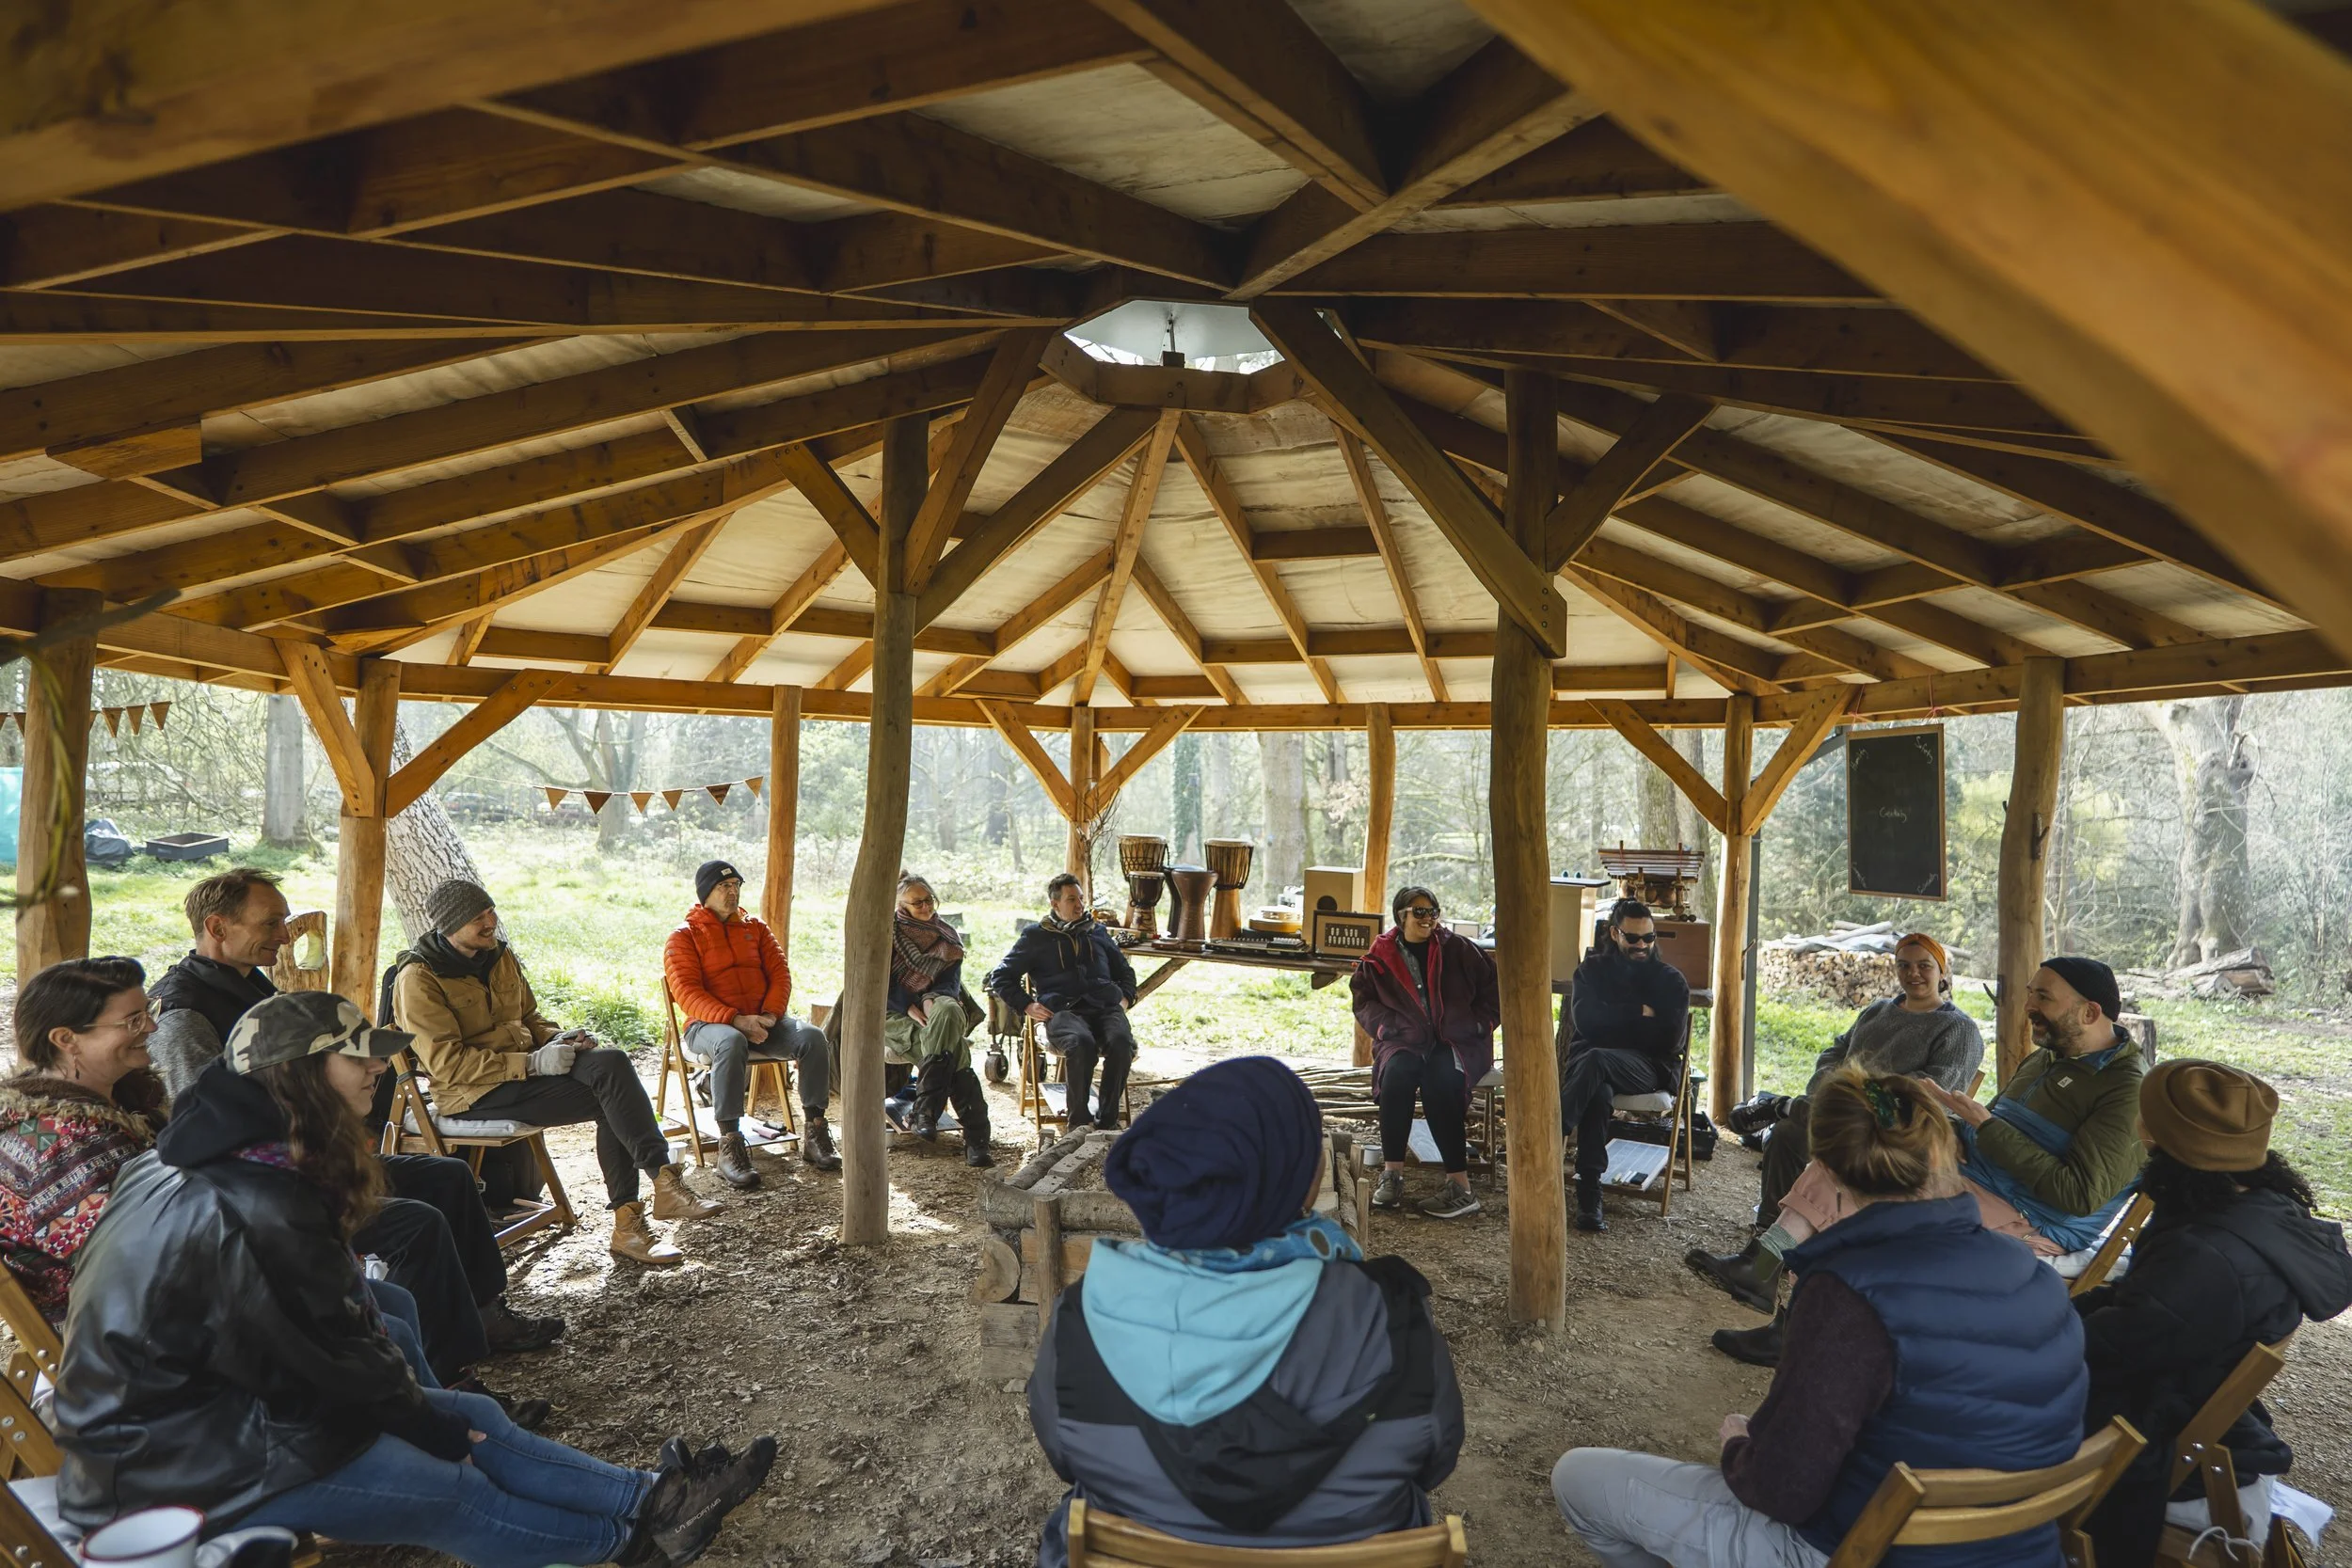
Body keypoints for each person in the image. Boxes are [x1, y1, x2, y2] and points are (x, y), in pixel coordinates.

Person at [53, 990, 776, 1568]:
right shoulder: (264, 1198)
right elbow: (329, 1357)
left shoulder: (212, 1155)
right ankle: (632, 1543)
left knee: (474, 1418)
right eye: (357, 1059)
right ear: (299, 1074)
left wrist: (429, 1411)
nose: (379, 1070)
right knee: (451, 1481)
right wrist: (427, 1423)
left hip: (204, 1415)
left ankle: (658, 1498)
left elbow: (310, 1339)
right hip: (169, 1469)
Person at [1554, 1066, 2090, 1568]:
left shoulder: (1849, 1294)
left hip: (1861, 1549)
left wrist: (1742, 1446)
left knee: (1579, 1478)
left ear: (1826, 1170)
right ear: (1939, 1155)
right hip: (2018, 1551)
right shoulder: (2035, 1274)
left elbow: (1781, 1491)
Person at [1026, 1055, 1461, 1564]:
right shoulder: (1392, 1316)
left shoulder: (1083, 1322)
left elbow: (1063, 1454)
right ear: (1299, 1183)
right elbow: (1436, 1457)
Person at [148, 867, 564, 1358]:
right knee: (417, 1224)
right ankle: (439, 1363)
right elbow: (204, 1127)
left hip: (308, 1166)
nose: (285, 936)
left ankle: (484, 1315)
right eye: (271, 924)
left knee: (446, 1176)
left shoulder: (250, 988)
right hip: (259, 1196)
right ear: (217, 929)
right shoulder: (185, 1013)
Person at [1697, 956, 2146, 1367]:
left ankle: (1799, 1326)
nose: (2028, 1005)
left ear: (2089, 1012)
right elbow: (1841, 1054)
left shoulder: (2125, 1091)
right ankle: (1763, 1272)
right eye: (2030, 992)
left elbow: (2078, 1195)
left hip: (2032, 1219)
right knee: (1848, 1157)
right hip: (1971, 1175)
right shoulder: (2040, 1057)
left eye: (2042, 996)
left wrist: (1981, 1127)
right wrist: (1945, 1120)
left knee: (1873, 1197)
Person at [2075, 1059, 2352, 1566]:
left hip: (2160, 1427)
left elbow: (2106, 1350)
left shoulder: (2205, 1258)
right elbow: (2135, 1310)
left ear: (2159, 1135)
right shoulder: (2258, 1209)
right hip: (2190, 1392)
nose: (2137, 1126)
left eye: (2145, 1116)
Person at [391, 878, 722, 1270]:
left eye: (491, 910)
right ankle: (639, 1215)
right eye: (479, 917)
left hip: (523, 1075)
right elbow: (448, 1063)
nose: (491, 921)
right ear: (450, 925)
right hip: (472, 1094)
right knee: (610, 1100)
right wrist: (531, 1063)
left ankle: (658, 1192)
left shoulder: (498, 957)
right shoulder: (419, 978)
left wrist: (559, 1038)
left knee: (611, 1063)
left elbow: (530, 1018)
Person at [1687, 932, 1983, 1307]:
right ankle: (1766, 1245)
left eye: (1924, 966)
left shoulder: (1958, 1029)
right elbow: (1835, 1051)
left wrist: (1857, 1090)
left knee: (1807, 1116)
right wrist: (1836, 1083)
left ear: (1943, 973)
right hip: (1848, 1111)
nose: (1913, 974)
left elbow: (1929, 1095)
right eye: (1904, 965)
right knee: (1789, 1130)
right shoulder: (1878, 1010)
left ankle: (1783, 1105)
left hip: (1900, 1130)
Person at [0, 958, 166, 1326]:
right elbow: (137, 1267)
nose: (152, 1026)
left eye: (148, 1011)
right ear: (65, 1039)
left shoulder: (109, 1105)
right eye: (133, 1020)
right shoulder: (68, 1146)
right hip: (111, 1337)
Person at [662, 858, 839, 1187]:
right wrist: (735, 1019)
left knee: (813, 1037)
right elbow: (687, 993)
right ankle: (729, 1146)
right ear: (705, 893)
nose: (732, 893)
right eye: (723, 887)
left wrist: (771, 1015)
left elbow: (780, 975)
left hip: (763, 1020)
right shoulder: (684, 937)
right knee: (731, 1041)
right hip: (708, 1026)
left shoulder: (755, 928)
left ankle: (815, 1132)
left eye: (736, 886)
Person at [1351, 885, 1498, 1220]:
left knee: (1441, 1081)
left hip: (1457, 1041)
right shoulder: (1381, 955)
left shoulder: (1458, 949)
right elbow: (1364, 1001)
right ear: (1401, 915)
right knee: (1397, 1076)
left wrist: (1478, 1025)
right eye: (1419, 912)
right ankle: (1392, 1174)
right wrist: (1388, 1029)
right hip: (1405, 1039)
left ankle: (1460, 1187)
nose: (1428, 918)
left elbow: (1494, 989)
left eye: (1433, 911)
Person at [1560, 899, 1691, 1233]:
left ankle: (1551, 1134)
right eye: (1634, 938)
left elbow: (1669, 1040)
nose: (1642, 945)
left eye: (1649, 938)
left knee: (1597, 1059)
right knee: (1598, 1089)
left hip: (1646, 1066)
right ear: (1615, 933)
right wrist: (1639, 1013)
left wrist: (1612, 1017)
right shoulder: (1590, 971)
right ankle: (1590, 1192)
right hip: (1595, 1064)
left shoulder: (1670, 980)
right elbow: (1587, 1022)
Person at [987, 873, 1138, 1132]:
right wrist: (1026, 1005)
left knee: (1122, 1043)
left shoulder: (1097, 932)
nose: (1080, 905)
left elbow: (1125, 972)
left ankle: (1107, 1123)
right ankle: (1079, 1124)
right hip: (1063, 1011)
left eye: (1081, 898)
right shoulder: (1037, 936)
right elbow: (1001, 976)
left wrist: (1125, 999)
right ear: (1055, 904)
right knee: (1081, 1043)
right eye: (1071, 899)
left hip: (1105, 1007)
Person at [885, 874, 993, 1167]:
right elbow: (874, 980)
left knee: (947, 1012)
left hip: (935, 1004)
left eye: (929, 899)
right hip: (891, 1011)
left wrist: (931, 998)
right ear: (901, 905)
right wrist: (907, 1005)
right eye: (916, 902)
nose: (925, 906)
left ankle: (925, 1111)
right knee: (953, 1049)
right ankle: (977, 1138)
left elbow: (950, 983)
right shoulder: (887, 931)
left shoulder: (946, 935)